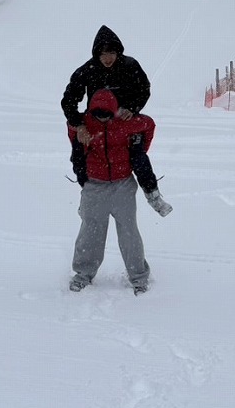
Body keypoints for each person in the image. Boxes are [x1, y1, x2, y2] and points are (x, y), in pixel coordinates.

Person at [67, 88, 166, 295]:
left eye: (106, 113)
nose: (102, 117)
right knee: (90, 232)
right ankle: (83, 274)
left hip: (123, 185)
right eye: (98, 113)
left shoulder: (126, 121)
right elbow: (71, 128)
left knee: (129, 232)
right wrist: (80, 129)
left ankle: (139, 277)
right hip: (94, 186)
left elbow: (149, 125)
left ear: (114, 110)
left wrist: (141, 148)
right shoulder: (85, 123)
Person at [62, 25, 169, 215]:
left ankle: (153, 195)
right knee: (79, 155)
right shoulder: (88, 70)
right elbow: (69, 100)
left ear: (118, 51)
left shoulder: (130, 65)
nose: (107, 58)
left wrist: (133, 108)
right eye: (103, 54)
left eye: (111, 52)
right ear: (97, 54)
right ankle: (86, 197)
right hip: (96, 122)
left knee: (138, 157)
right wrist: (79, 124)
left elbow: (144, 89)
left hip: (125, 122)